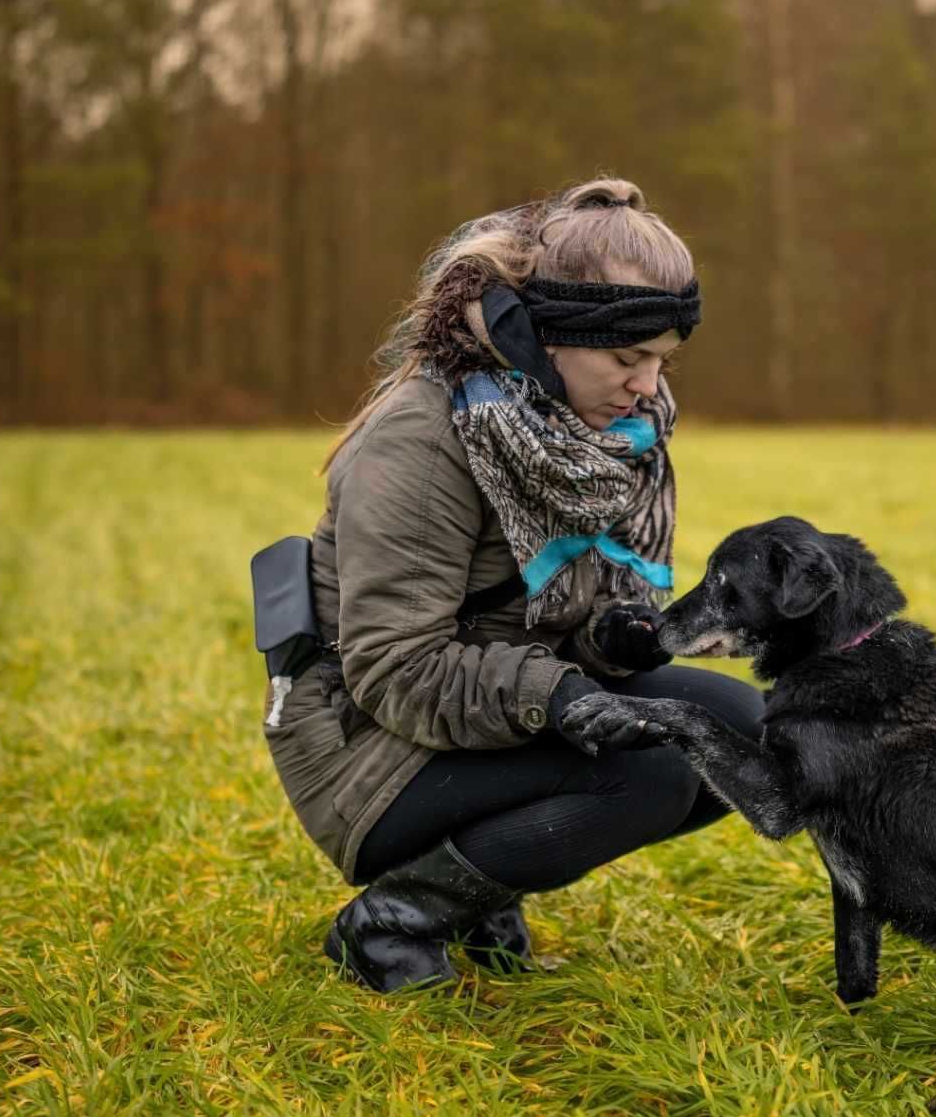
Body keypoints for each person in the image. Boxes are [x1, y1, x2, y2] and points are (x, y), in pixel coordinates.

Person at [261, 176, 765, 993]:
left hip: (481, 705)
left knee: (744, 733)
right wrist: (568, 700)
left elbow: (559, 608)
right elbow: (398, 670)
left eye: (663, 360)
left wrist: (620, 638)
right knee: (656, 768)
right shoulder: (423, 440)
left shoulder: (590, 428)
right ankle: (395, 920)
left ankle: (483, 894)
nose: (648, 386)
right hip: (365, 741)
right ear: (540, 335)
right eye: (628, 358)